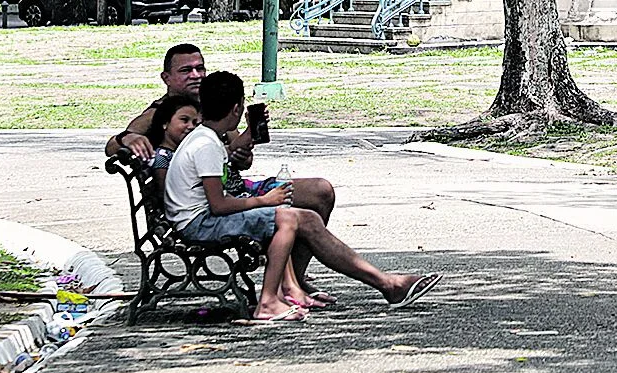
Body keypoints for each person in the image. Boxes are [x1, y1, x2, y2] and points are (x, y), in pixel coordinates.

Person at [163, 71, 440, 322]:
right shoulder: (205, 145)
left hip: (202, 216)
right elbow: (218, 204)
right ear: (236, 108)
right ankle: (271, 301)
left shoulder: (207, 138)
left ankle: (384, 284)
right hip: (199, 223)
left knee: (305, 216)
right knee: (291, 219)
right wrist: (265, 200)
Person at [108, 43, 342, 300]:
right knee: (289, 215)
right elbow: (113, 145)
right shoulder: (162, 112)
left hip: (237, 188)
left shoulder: (212, 106)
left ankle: (295, 279)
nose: (195, 75)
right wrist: (127, 139)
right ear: (167, 78)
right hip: (208, 206)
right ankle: (288, 286)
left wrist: (244, 148)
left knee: (320, 191)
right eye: (186, 70)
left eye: (200, 68)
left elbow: (239, 159)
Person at [145, 95, 200, 170]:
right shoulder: (162, 157)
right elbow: (165, 181)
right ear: (165, 123)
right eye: (184, 120)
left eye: (194, 123)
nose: (191, 126)